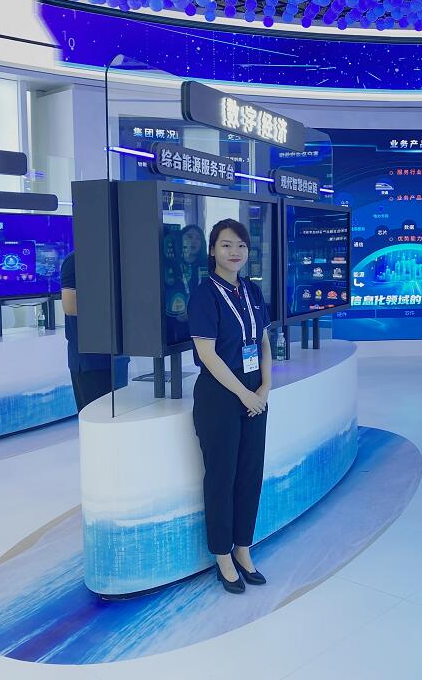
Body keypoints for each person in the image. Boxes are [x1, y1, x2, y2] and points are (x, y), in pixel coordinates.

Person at [188, 219, 272, 594]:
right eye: (225, 245)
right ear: (213, 251)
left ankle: (243, 548)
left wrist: (266, 385)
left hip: (255, 392)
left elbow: (263, 340)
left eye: (240, 245)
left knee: (250, 474)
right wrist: (244, 394)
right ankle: (223, 555)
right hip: (221, 395)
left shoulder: (251, 290)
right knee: (222, 477)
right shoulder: (204, 295)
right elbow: (208, 354)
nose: (234, 252)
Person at [60, 251, 128, 412]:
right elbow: (70, 306)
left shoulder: (116, 257)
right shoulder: (74, 261)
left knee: (120, 414)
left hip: (117, 355)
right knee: (95, 415)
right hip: (89, 359)